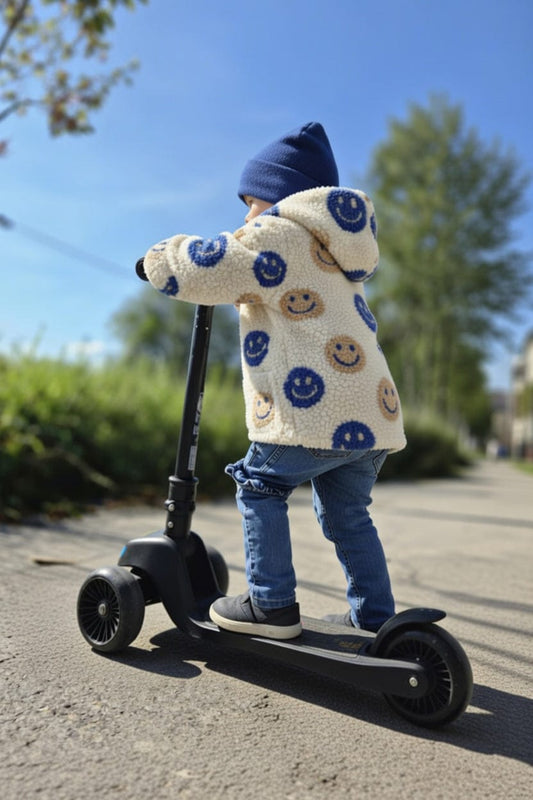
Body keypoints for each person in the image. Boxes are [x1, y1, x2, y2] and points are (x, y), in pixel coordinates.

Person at [141, 122, 406, 640]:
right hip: (369, 417)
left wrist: (158, 258)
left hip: (316, 412)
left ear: (285, 194)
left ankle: (270, 604)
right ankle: (375, 618)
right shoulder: (337, 256)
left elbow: (208, 266)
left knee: (259, 485)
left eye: (252, 200)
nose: (246, 215)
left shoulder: (279, 234)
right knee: (348, 514)